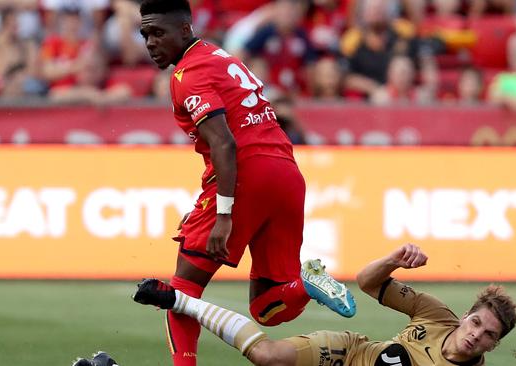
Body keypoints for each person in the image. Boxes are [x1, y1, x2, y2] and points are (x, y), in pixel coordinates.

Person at [128, 1, 356, 365]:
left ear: (185, 29)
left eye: (158, 32)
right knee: (270, 307)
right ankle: (307, 284)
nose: (150, 42)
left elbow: (224, 143)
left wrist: (223, 213)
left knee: (182, 288)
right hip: (286, 173)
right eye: (145, 34)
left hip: (245, 174)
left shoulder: (188, 74)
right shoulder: (221, 57)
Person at [124, 243, 516, 366]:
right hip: (348, 352)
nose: (476, 336)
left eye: (488, 336)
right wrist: (393, 261)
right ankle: (179, 298)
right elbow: (367, 282)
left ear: (493, 346)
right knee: (267, 355)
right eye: (476, 324)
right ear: (466, 316)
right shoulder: (436, 315)